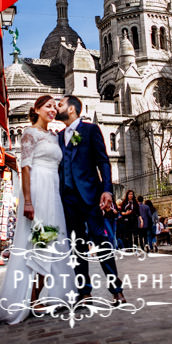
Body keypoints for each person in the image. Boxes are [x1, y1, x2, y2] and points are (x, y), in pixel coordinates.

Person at [0, 96, 74, 324]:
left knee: (51, 241)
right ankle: (31, 297)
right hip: (38, 189)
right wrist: (28, 201)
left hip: (53, 192)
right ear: (37, 109)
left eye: (54, 107)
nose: (52, 110)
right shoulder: (30, 133)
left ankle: (42, 295)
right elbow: (25, 168)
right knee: (37, 240)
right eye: (47, 106)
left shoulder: (53, 136)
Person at [56, 94, 126, 306]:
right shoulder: (58, 137)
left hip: (91, 196)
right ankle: (84, 293)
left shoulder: (90, 130)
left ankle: (116, 290)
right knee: (77, 246)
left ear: (71, 109)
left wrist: (107, 190)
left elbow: (104, 162)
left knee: (101, 242)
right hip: (67, 199)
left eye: (60, 104)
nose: (56, 107)